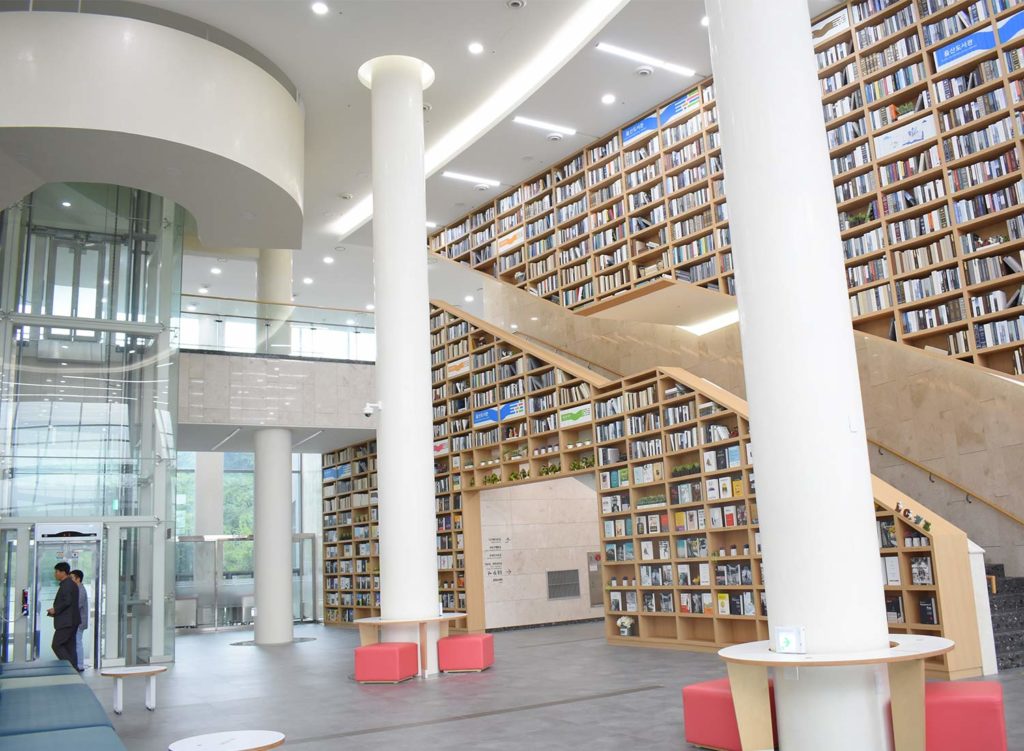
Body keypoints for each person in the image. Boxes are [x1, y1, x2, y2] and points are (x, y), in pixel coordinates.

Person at [46, 561, 81, 670]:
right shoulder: (70, 584)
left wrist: (55, 610)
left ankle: (70, 668)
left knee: (57, 645)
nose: (55, 574)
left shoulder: (67, 584)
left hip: (67, 622)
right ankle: (74, 670)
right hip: (72, 621)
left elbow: (67, 601)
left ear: (63, 572)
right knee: (70, 646)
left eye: (57, 572)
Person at [70, 569, 88, 671]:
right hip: (76, 621)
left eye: (72, 578)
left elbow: (77, 605)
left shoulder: (80, 590)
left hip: (79, 622)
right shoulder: (77, 589)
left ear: (78, 579)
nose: (70, 580)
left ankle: (80, 664)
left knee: (77, 642)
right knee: (76, 642)